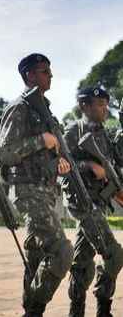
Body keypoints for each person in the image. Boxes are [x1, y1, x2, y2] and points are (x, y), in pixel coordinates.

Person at [0, 54, 72, 317]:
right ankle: (34, 309)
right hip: (28, 190)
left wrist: (60, 161)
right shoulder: (20, 108)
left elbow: (51, 150)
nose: (50, 76)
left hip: (46, 190)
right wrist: (41, 140)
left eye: (50, 71)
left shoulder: (44, 110)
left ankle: (32, 309)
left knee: (37, 255)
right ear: (29, 75)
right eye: (44, 71)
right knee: (61, 251)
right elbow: (4, 153)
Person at [63, 86, 123, 317]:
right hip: (83, 202)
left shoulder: (105, 134)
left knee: (82, 260)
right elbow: (59, 166)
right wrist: (88, 166)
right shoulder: (72, 131)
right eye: (98, 104)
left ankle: (76, 311)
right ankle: (103, 305)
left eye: (105, 104)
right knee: (114, 254)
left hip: (99, 202)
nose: (104, 109)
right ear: (84, 106)